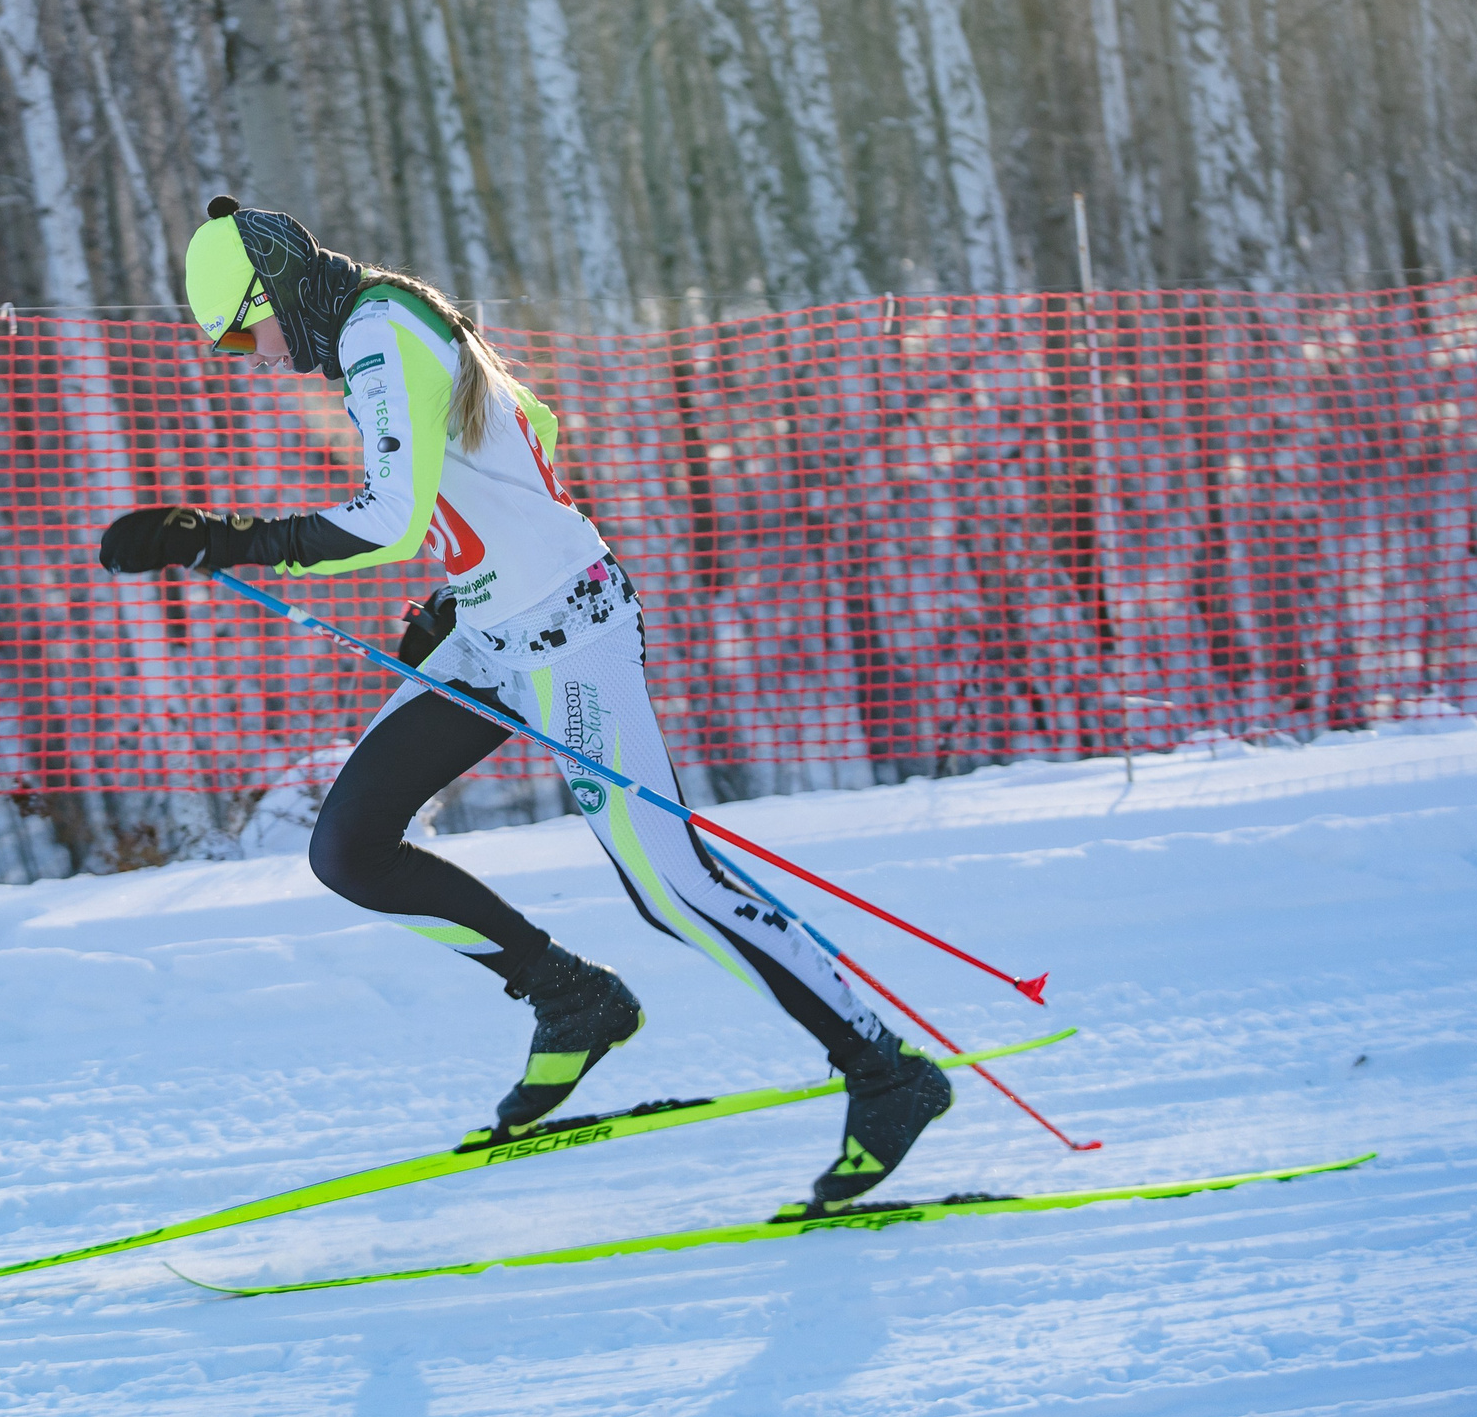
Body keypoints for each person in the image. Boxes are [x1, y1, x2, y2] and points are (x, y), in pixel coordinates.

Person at [98, 196, 950, 1206]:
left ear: (277, 284)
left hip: (572, 634)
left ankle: (886, 1069)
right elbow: (524, 431)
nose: (257, 353)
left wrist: (224, 538)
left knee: (668, 883)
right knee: (349, 847)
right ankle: (570, 995)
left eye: (247, 326)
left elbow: (385, 515)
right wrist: (466, 587)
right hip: (494, 635)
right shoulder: (390, 324)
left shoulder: (375, 332)